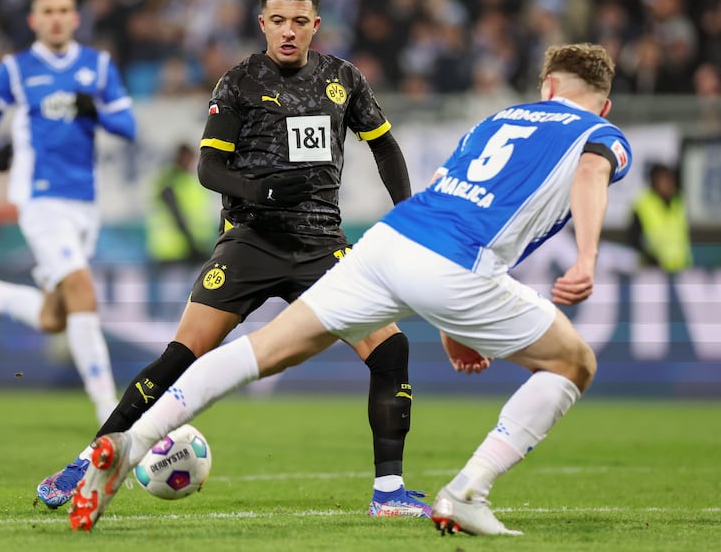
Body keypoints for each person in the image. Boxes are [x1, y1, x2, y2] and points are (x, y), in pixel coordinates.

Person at [67, 42, 633, 536]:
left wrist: (453, 322)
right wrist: (586, 256)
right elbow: (588, 173)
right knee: (572, 363)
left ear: (547, 87)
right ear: (602, 103)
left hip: (389, 243)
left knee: (261, 351)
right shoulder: (601, 131)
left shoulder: (499, 119)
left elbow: (453, 203)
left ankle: (132, 443)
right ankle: (467, 493)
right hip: (456, 267)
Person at [39, 0, 429, 518]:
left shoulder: (345, 80)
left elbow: (385, 149)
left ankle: (388, 493)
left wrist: (407, 214)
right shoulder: (240, 82)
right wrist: (261, 189)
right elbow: (208, 168)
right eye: (278, 21)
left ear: (316, 24)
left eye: (299, 21)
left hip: (323, 247)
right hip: (251, 240)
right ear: (262, 23)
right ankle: (86, 461)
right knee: (180, 356)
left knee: (391, 351)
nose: (288, 32)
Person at [0, 0, 137, 424]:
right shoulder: (16, 69)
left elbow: (127, 126)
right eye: (47, 10)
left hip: (84, 203)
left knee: (55, 316)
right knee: (83, 289)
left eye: (64, 9)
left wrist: (98, 112)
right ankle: (110, 411)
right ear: (34, 20)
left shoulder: (98, 65)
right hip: (39, 198)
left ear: (75, 18)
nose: (56, 17)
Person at [145, 143, 218, 317]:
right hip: (173, 251)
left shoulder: (188, 181)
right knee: (173, 301)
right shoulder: (169, 181)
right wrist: (193, 244)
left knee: (190, 301)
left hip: (192, 250)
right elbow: (176, 214)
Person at [628, 162, 692, 273]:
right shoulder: (643, 204)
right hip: (653, 271)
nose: (668, 184)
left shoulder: (678, 201)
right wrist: (650, 259)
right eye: (663, 179)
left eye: (669, 179)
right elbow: (634, 240)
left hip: (681, 268)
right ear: (653, 181)